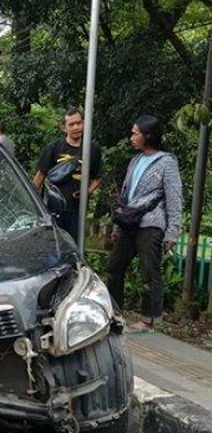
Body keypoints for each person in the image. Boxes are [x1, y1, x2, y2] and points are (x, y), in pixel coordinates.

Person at [107, 113, 182, 331]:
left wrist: (172, 231)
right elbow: (125, 195)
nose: (131, 137)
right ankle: (115, 313)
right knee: (114, 267)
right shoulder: (135, 160)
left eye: (135, 133)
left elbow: (174, 197)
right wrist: (117, 226)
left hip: (151, 222)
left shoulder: (167, 162)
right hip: (129, 223)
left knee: (149, 271)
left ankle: (149, 320)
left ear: (148, 135)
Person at [32, 108, 102, 241]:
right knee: (53, 246)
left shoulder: (93, 149)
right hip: (53, 210)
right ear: (64, 128)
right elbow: (40, 176)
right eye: (71, 124)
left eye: (79, 123)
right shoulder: (54, 148)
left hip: (77, 211)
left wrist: (87, 192)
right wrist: (34, 204)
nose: (76, 127)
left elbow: (98, 178)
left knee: (74, 246)